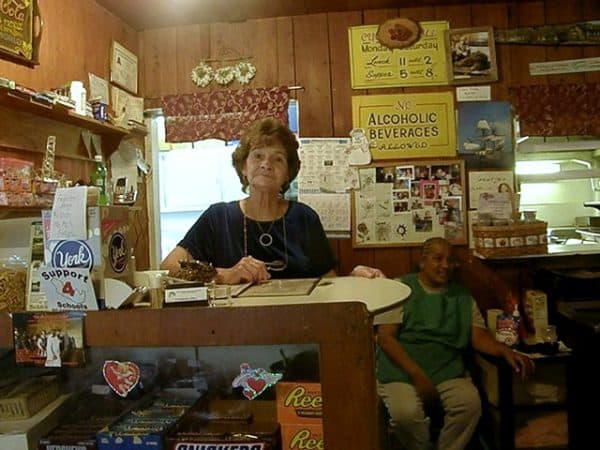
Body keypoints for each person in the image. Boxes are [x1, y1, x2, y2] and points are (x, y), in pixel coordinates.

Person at [375, 237, 534, 450]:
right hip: (400, 370)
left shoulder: (462, 295)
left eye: (450, 260)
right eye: (437, 259)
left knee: (469, 405)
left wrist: (505, 351)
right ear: (422, 262)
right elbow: (386, 338)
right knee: (406, 416)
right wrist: (418, 377)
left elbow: (477, 337)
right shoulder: (400, 288)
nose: (445, 266)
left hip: (446, 370)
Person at [160, 118, 337, 284]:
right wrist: (223, 275)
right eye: (258, 156)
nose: (266, 164)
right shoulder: (218, 218)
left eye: (278, 159)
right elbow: (169, 268)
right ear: (243, 166)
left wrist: (353, 278)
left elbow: (328, 279)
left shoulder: (304, 217)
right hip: (233, 317)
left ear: (287, 174)